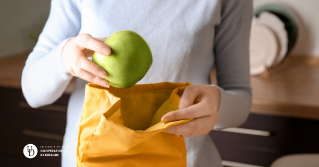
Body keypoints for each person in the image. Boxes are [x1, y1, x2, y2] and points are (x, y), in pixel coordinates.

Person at [22, 0, 253, 166]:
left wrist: (218, 103)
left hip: (185, 159)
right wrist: (64, 57)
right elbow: (32, 91)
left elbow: (240, 95)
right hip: (89, 159)